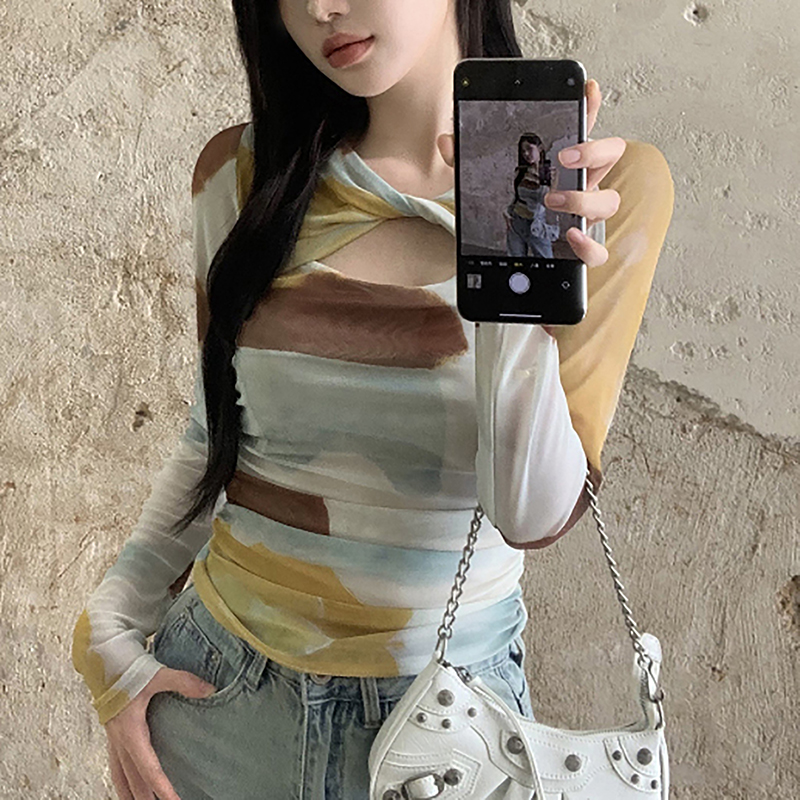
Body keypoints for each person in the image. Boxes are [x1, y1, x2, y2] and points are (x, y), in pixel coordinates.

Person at [70, 1, 675, 798]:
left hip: (449, 733)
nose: (320, 7)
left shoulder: (608, 190)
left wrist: (514, 264)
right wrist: (108, 633)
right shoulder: (246, 174)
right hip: (218, 705)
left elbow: (528, 514)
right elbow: (212, 441)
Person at [505, 132, 561, 258]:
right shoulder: (521, 172)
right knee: (515, 260)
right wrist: (507, 212)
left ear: (540, 148)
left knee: (545, 261)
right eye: (523, 151)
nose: (526, 154)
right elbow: (517, 196)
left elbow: (549, 202)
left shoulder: (549, 173)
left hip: (537, 223)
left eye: (529, 149)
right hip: (516, 221)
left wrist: (554, 183)